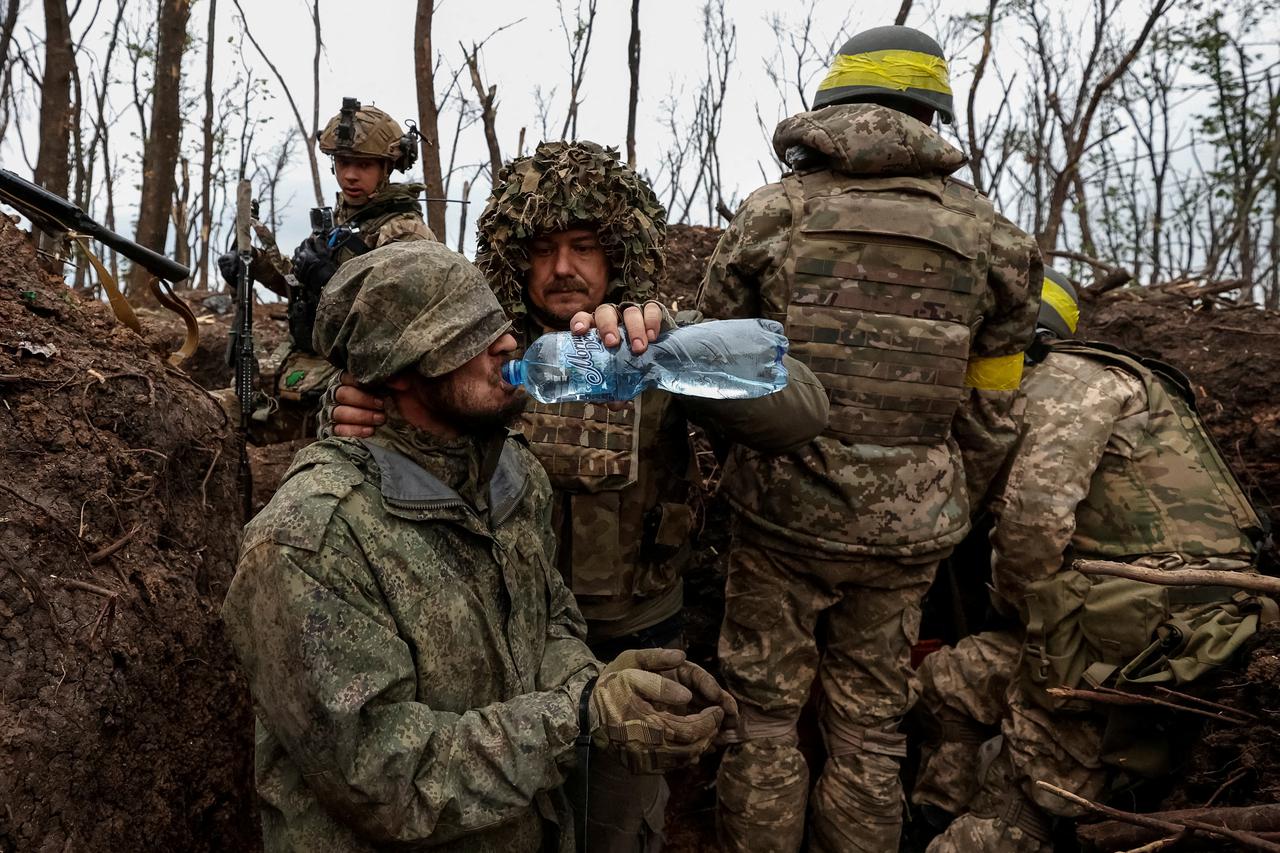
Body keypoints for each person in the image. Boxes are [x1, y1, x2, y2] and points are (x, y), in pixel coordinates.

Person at [326, 140, 830, 852]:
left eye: (585, 245)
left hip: (635, 639)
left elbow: (804, 409)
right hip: (503, 648)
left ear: (620, 248)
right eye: (542, 249)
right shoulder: (471, 355)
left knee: (615, 829)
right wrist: (346, 410)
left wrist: (671, 349)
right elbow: (377, 437)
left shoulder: (656, 341)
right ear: (511, 255)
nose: (563, 268)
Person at [220, 240, 737, 853]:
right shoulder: (313, 542)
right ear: (400, 369)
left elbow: (547, 626)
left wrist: (602, 687)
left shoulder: (511, 474)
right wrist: (577, 718)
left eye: (496, 323)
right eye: (465, 336)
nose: (506, 345)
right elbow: (386, 781)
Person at [694, 25, 1043, 852]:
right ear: (930, 110)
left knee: (767, 721)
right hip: (908, 533)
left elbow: (718, 362)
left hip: (781, 514)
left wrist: (742, 464)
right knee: (870, 726)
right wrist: (951, 495)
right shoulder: (995, 238)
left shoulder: (775, 211)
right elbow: (992, 412)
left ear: (835, 99)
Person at [913, 268, 1273, 851]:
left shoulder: (1068, 383)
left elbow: (1034, 518)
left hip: (1144, 623)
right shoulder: (1097, 378)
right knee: (949, 680)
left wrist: (1014, 604)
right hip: (1134, 607)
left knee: (1020, 797)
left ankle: (995, 822)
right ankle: (933, 809)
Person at [216, 97, 435, 442]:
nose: (350, 174)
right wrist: (254, 267)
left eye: (363, 165)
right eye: (344, 162)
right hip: (303, 364)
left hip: (357, 384)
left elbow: (407, 322)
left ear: (387, 166)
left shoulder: (404, 231)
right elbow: (301, 288)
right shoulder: (340, 223)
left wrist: (331, 281)